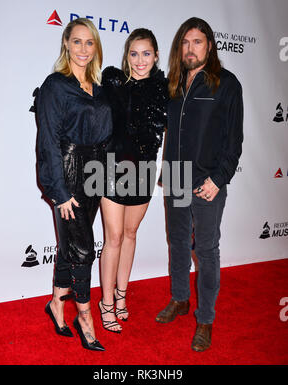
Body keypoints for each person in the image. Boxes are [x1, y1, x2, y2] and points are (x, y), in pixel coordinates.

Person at [155, 17, 243, 352]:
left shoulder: (226, 84)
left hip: (207, 180)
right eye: (186, 42)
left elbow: (234, 140)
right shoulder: (173, 84)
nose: (191, 48)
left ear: (209, 45)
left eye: (198, 41)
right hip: (175, 176)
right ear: (181, 48)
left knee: (205, 252)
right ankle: (179, 299)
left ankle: (205, 319)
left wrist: (219, 179)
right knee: (177, 243)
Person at [34, 18, 113, 351]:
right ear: (66, 43)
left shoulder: (100, 86)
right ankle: (85, 316)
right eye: (77, 42)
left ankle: (56, 304)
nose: (83, 49)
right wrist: (59, 190)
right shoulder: (55, 85)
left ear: (96, 47)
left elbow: (108, 134)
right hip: (66, 170)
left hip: (95, 172)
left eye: (89, 42)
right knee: (82, 248)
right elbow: (48, 140)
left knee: (71, 243)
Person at [99, 29, 168, 332]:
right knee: (113, 237)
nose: (140, 60)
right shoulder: (113, 82)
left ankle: (122, 295)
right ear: (126, 56)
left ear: (156, 55)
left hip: (144, 170)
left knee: (130, 234)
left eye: (146, 53)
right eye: (134, 53)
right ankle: (106, 303)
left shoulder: (165, 89)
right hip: (111, 168)